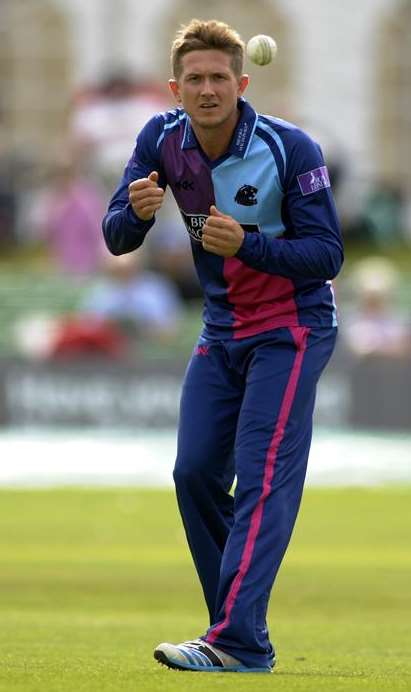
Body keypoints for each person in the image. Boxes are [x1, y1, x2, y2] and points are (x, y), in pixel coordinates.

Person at [102, 19, 343, 674]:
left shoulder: (288, 147)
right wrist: (135, 212)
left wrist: (252, 245)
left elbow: (328, 253)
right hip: (223, 327)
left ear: (240, 83)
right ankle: (240, 636)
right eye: (195, 80)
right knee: (194, 473)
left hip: (292, 327)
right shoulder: (161, 138)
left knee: (261, 472)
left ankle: (233, 641)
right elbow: (117, 237)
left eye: (219, 79)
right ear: (174, 87)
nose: (207, 90)